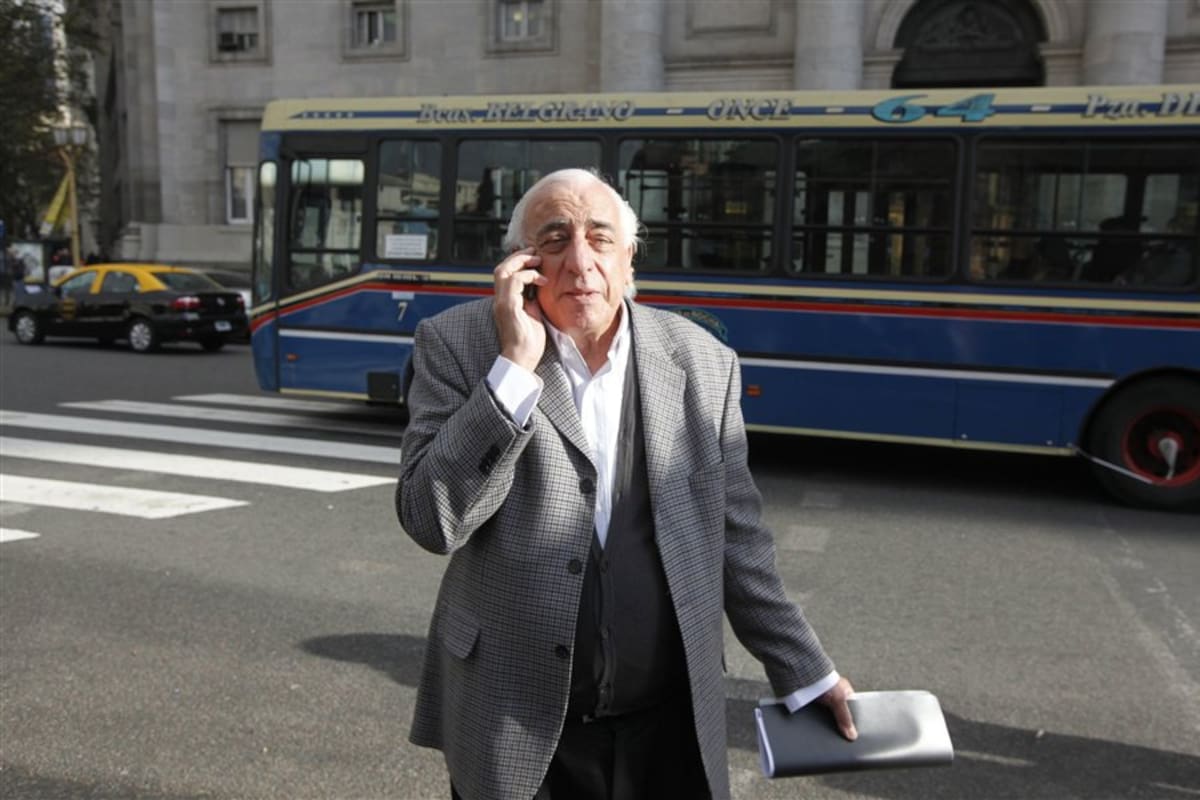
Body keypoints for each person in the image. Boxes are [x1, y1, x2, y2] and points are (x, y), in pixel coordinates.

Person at [396, 168, 856, 800]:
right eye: (554, 239)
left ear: (630, 258)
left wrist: (805, 671)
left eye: (600, 238)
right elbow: (431, 519)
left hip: (667, 728)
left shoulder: (701, 362)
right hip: (516, 721)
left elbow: (738, 542)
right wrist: (512, 372)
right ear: (519, 263)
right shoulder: (456, 344)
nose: (580, 262)